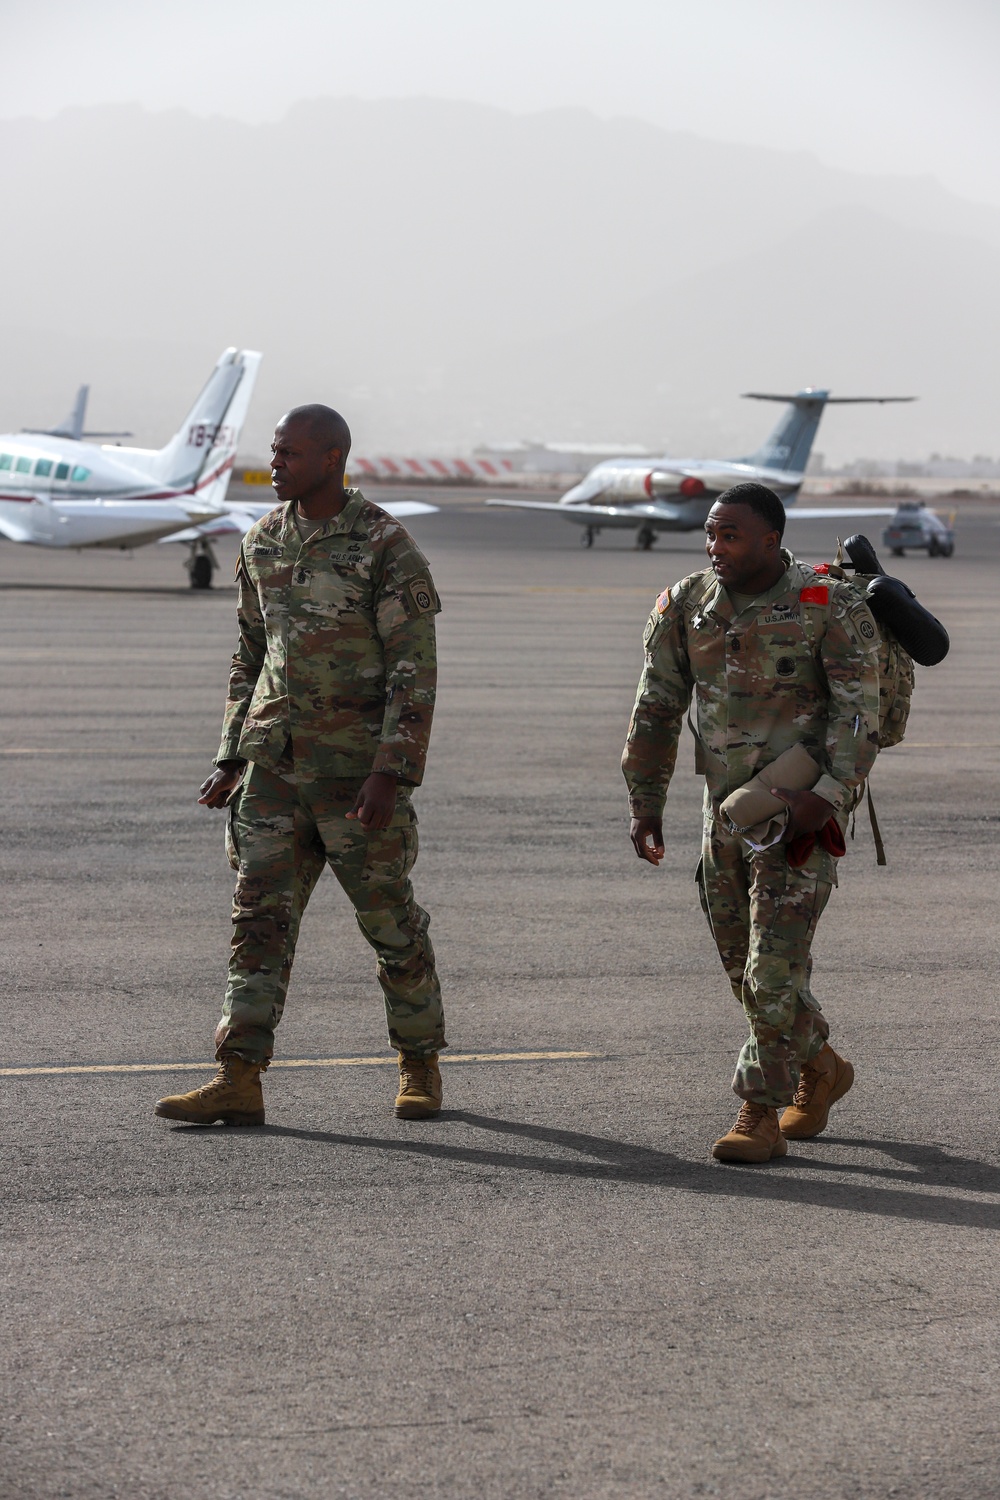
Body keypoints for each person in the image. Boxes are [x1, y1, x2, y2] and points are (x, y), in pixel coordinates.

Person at [155, 404, 445, 1128]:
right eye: (275, 451)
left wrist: (392, 771)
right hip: (274, 769)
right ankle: (238, 1076)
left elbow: (415, 671)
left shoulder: (385, 545)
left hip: (356, 777)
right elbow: (250, 657)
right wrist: (230, 754)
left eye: (289, 452)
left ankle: (419, 1061)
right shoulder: (262, 541)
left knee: (390, 925)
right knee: (258, 923)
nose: (275, 462)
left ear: (333, 457)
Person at [622, 482, 881, 1163]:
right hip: (727, 813)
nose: (715, 547)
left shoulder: (827, 605)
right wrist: (644, 800)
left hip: (801, 816)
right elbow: (656, 706)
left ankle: (757, 1111)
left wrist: (827, 796)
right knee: (743, 963)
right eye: (711, 534)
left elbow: (858, 714)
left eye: (730, 535)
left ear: (770, 539)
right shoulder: (686, 603)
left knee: (772, 969)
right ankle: (821, 1065)